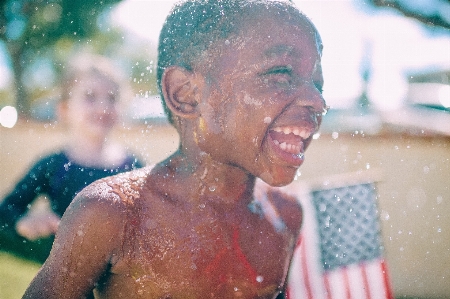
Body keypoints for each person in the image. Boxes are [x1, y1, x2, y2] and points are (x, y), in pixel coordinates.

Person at [23, 0, 328, 297]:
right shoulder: (115, 214)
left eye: (318, 84)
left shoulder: (285, 217)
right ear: (186, 94)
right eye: (281, 73)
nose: (318, 101)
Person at [0, 53, 144, 263]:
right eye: (90, 96)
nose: (103, 106)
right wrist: (22, 223)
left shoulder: (133, 167)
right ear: (65, 109)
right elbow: (5, 211)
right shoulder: (53, 166)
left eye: (111, 98)